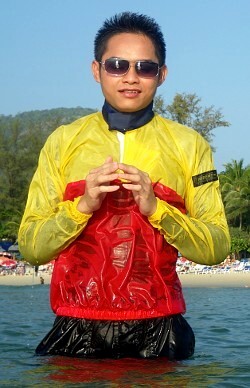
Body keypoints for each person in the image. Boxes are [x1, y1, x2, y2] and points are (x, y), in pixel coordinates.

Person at [18, 11, 230, 360]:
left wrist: (157, 207)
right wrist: (81, 206)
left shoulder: (190, 145)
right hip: (76, 324)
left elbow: (216, 247)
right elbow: (31, 248)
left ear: (161, 75)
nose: (131, 78)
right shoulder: (62, 141)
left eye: (145, 67)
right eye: (117, 65)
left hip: (160, 327)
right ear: (96, 69)